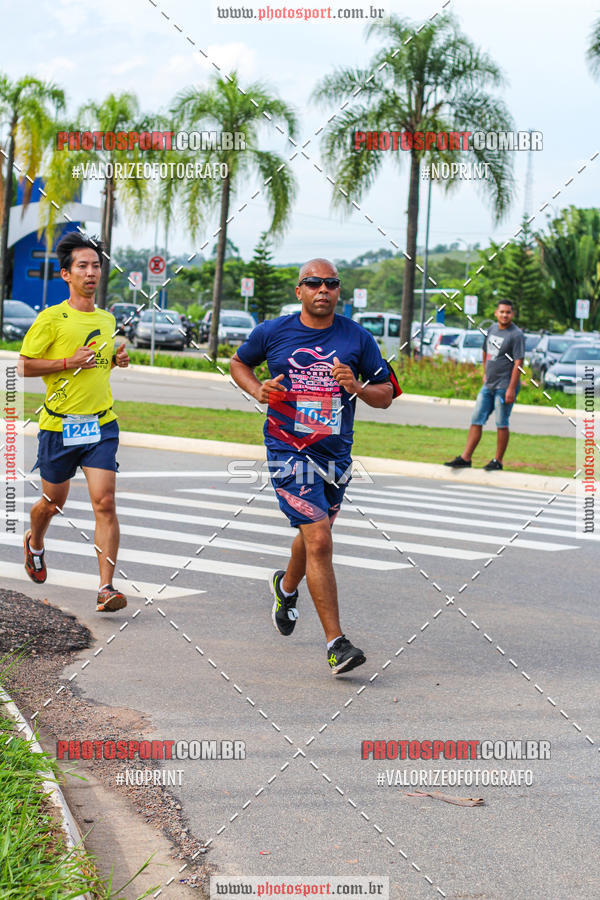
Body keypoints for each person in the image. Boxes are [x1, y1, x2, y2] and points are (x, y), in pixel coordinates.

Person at [230, 258, 399, 675]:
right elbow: (238, 363)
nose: (322, 289)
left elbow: (387, 394)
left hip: (335, 455)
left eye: (331, 283)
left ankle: (286, 589)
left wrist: (356, 386)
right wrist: (258, 389)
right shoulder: (273, 332)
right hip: (287, 450)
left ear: (339, 291)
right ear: (299, 290)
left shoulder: (357, 338)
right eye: (313, 283)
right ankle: (336, 643)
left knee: (313, 537)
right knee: (320, 539)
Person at [18, 232, 129, 611]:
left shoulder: (107, 318)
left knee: (106, 502)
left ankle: (106, 588)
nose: (91, 272)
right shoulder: (52, 318)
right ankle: (35, 543)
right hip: (59, 425)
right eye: (82, 266)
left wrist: (116, 359)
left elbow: (99, 364)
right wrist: (67, 362)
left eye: (96, 265)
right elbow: (24, 366)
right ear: (66, 274)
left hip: (100, 424)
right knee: (52, 502)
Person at [444, 299, 525, 471]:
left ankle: (498, 461)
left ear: (512, 314)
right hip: (489, 385)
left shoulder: (516, 334)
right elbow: (485, 351)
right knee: (476, 419)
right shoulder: (492, 329)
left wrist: (511, 388)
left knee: (501, 422)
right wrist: (484, 372)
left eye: (508, 312)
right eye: (502, 311)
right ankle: (466, 458)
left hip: (505, 386)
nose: (505, 315)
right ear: (496, 313)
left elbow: (519, 362)